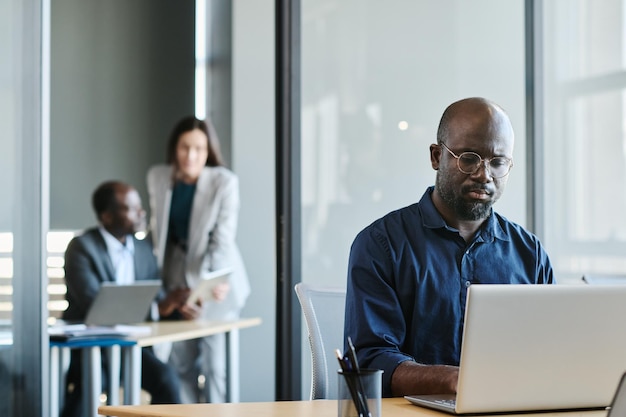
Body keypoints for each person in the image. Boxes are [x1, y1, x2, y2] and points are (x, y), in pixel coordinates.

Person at [344, 97, 555, 398]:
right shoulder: (381, 245)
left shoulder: (530, 254)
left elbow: (552, 352)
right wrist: (456, 381)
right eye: (469, 158)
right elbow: (370, 361)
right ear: (436, 156)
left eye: (498, 162)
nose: (485, 175)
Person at [147, 116, 250, 403]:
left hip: (216, 281)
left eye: (199, 149)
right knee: (181, 365)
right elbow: (158, 236)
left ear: (208, 152)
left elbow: (222, 240)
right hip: (177, 279)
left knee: (216, 368)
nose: (191, 156)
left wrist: (209, 286)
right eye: (184, 147)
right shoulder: (158, 177)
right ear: (174, 149)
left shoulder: (223, 182)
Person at [61, 181, 182, 417]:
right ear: (106, 217)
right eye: (131, 208)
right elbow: (97, 305)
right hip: (89, 348)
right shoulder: (81, 247)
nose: (141, 212)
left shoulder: (144, 249)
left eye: (140, 206)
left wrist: (178, 306)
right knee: (89, 390)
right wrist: (158, 308)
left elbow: (157, 296)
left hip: (128, 345)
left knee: (166, 379)